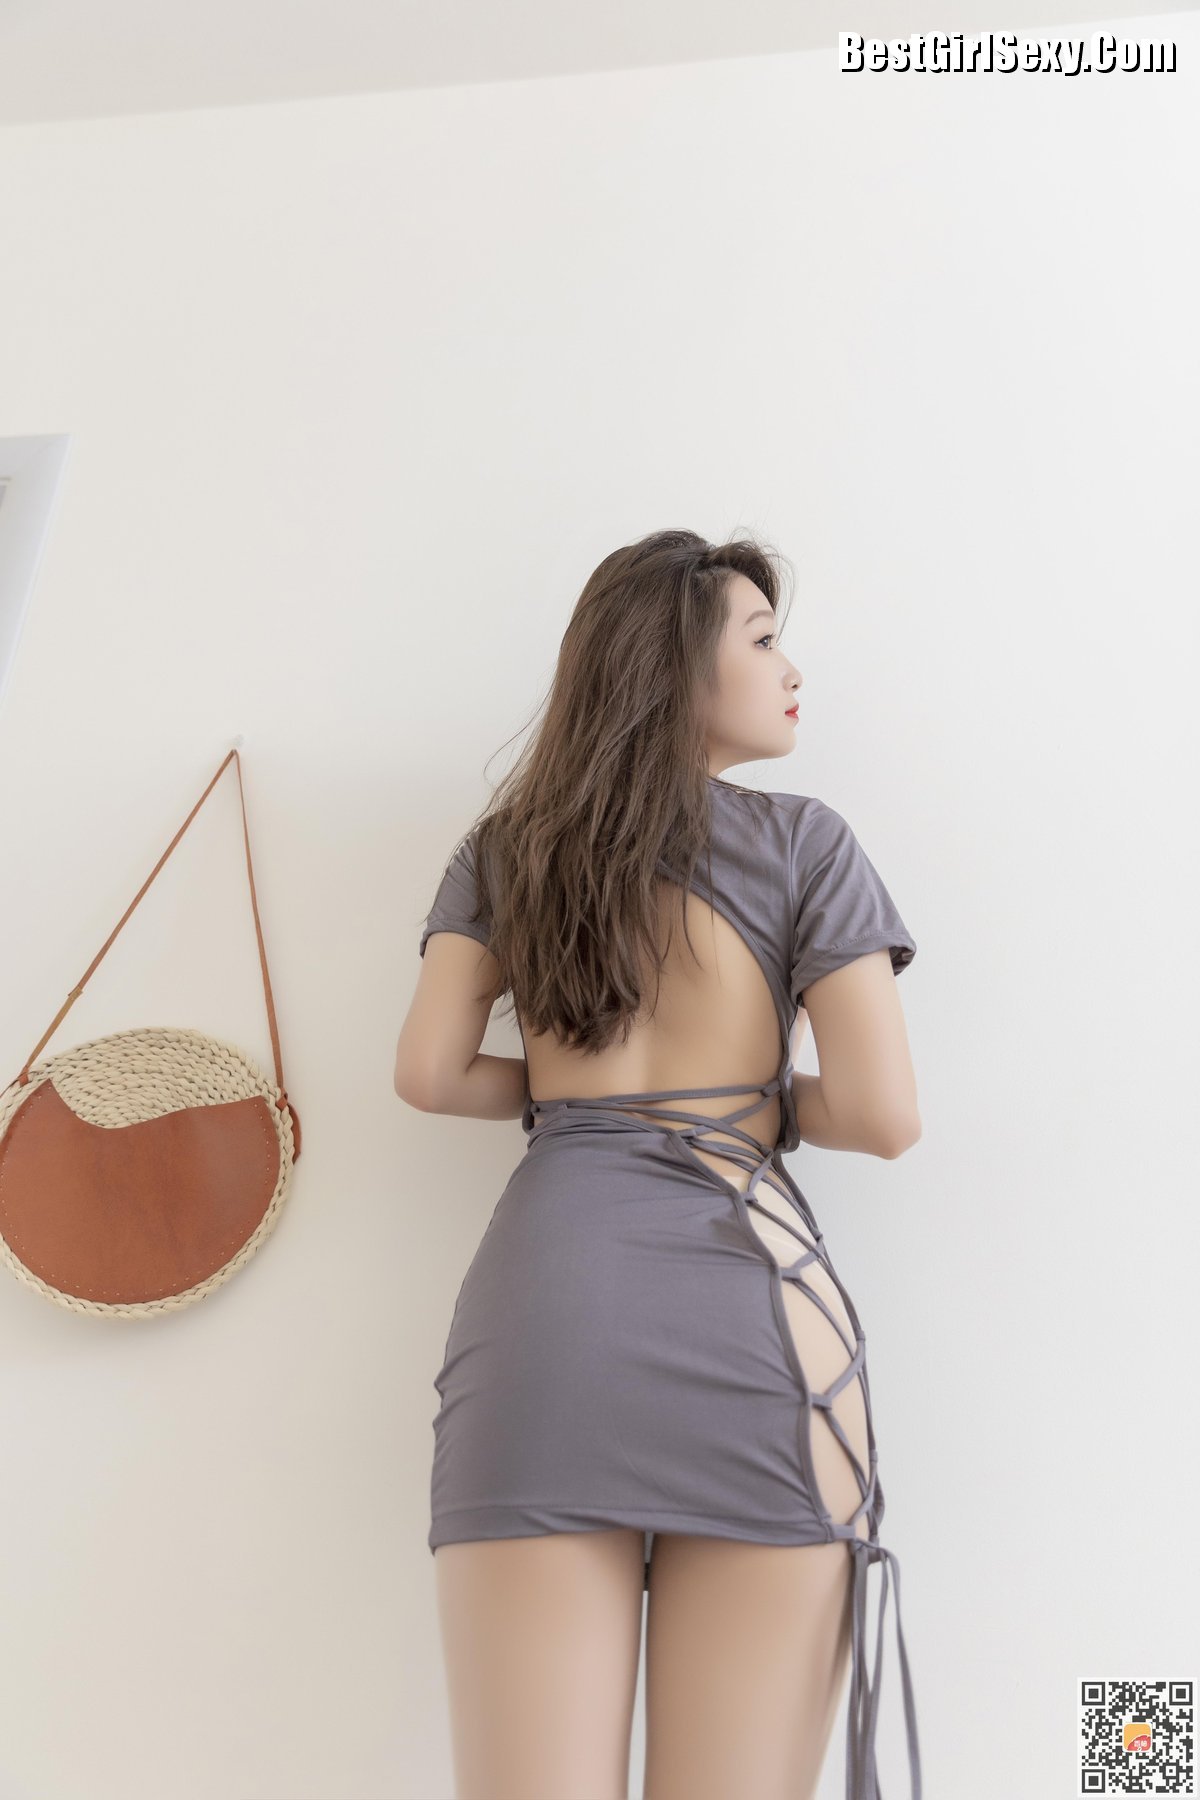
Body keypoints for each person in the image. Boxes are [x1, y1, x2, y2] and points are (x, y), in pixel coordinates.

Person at [395, 527, 923, 1800]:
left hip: (549, 1310)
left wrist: (582, 1104)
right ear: (678, 666)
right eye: (765, 639)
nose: (792, 669)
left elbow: (430, 1074)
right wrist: (748, 1110)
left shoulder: (510, 848)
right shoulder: (805, 844)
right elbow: (882, 1114)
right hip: (758, 1318)